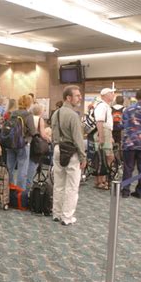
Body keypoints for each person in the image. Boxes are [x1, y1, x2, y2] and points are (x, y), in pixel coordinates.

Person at [51, 85, 86, 226]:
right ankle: (67, 217)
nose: (80, 98)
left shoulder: (56, 113)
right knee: (72, 186)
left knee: (58, 184)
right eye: (77, 95)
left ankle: (57, 213)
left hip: (58, 149)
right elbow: (78, 138)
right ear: (68, 98)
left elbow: (53, 134)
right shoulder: (73, 115)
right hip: (71, 152)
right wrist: (83, 156)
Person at [5, 94, 36, 190]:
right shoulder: (28, 115)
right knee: (22, 169)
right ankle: (20, 193)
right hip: (23, 144)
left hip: (10, 143)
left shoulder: (12, 113)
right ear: (28, 103)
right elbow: (32, 131)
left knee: (10, 168)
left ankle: (9, 190)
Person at [25, 103, 51, 194]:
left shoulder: (29, 118)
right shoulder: (40, 119)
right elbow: (43, 135)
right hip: (36, 146)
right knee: (32, 169)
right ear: (40, 111)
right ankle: (27, 190)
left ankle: (23, 189)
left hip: (29, 144)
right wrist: (49, 139)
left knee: (26, 168)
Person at [93, 88, 115, 190]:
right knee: (106, 156)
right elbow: (99, 122)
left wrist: (110, 136)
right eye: (111, 93)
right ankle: (101, 181)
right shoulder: (102, 106)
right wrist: (101, 136)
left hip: (106, 132)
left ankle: (102, 180)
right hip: (103, 132)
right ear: (105, 95)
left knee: (104, 156)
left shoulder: (106, 106)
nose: (113, 94)